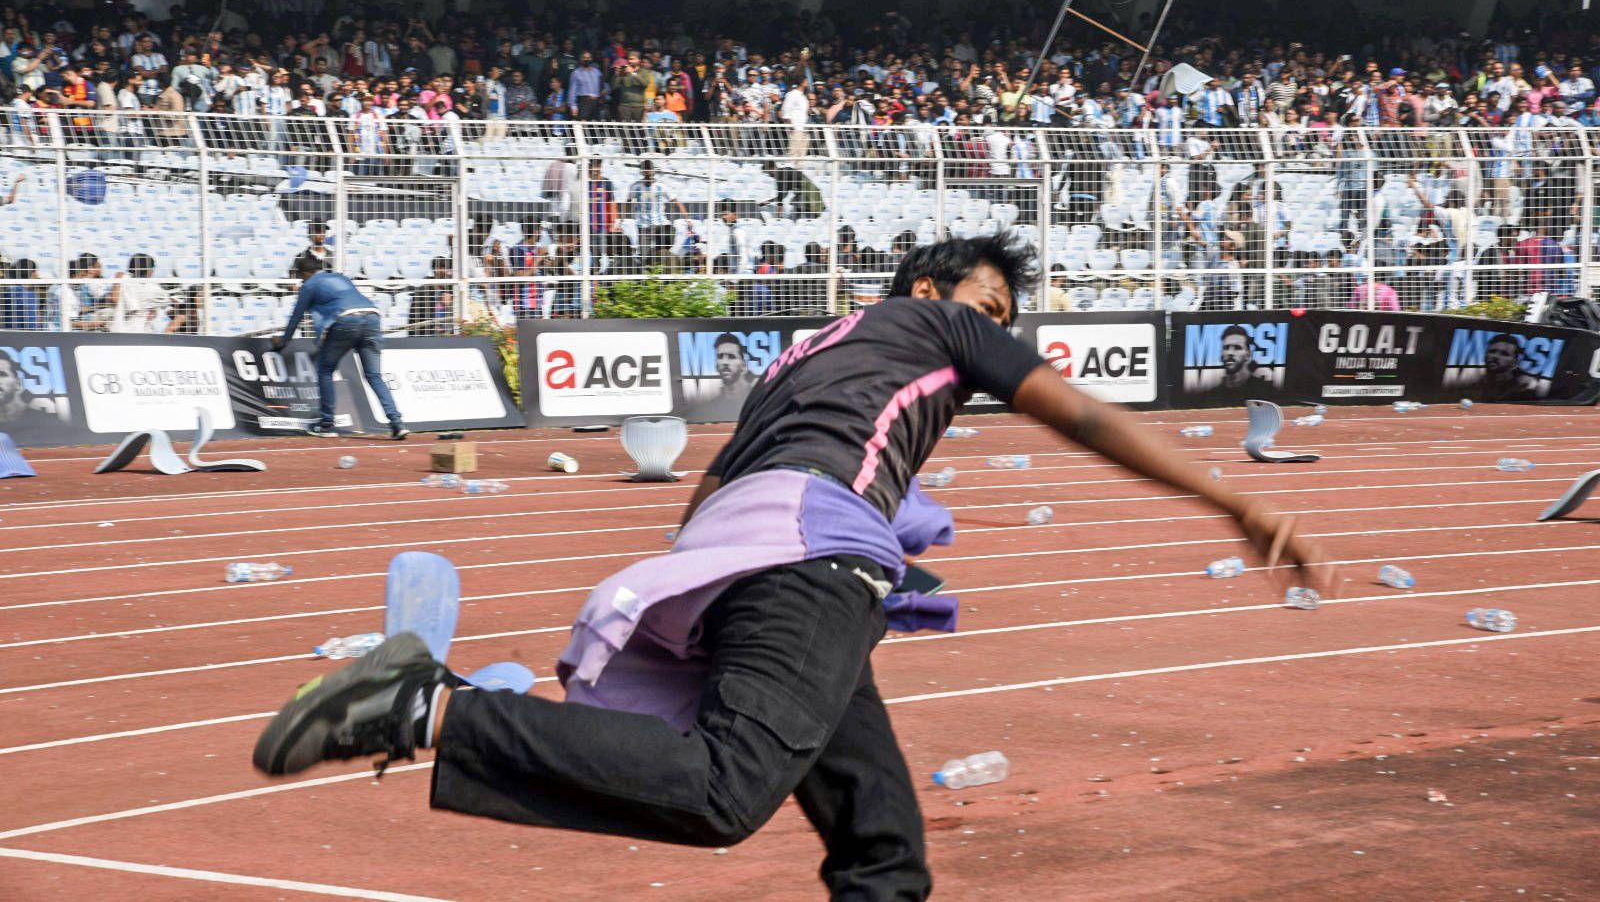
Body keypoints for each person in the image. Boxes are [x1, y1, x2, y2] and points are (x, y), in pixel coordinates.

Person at [253, 234, 1325, 899]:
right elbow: (1079, 413)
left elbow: (715, 490)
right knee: (726, 790)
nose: (1000, 332)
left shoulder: (809, 353)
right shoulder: (941, 322)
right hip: (810, 560)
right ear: (933, 287)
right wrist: (1231, 496)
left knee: (880, 843)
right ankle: (427, 707)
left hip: (760, 559)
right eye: (995, 310)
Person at [273, 252, 409, 439]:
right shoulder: (339, 276)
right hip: (372, 316)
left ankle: (326, 424)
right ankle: (397, 423)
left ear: (303, 274)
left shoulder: (308, 285)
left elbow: (296, 316)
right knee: (374, 375)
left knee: (325, 369)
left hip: (346, 320)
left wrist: (283, 341)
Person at [1471, 333, 1544, 401]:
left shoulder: (1523, 389)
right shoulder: (1473, 386)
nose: (1495, 356)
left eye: (1504, 354)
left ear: (1514, 362)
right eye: (1492, 351)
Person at [713, 332, 760, 406]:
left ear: (743, 365)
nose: (725, 362)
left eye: (731, 356)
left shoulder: (759, 402)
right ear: (716, 365)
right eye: (720, 356)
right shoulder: (710, 406)